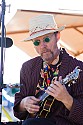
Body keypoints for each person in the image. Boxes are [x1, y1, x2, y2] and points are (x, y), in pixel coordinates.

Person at [13, 14, 83, 125]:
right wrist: (24, 103)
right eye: (37, 42)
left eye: (46, 39)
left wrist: (67, 99)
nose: (42, 46)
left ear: (58, 36)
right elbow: (18, 109)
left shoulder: (78, 68)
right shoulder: (28, 67)